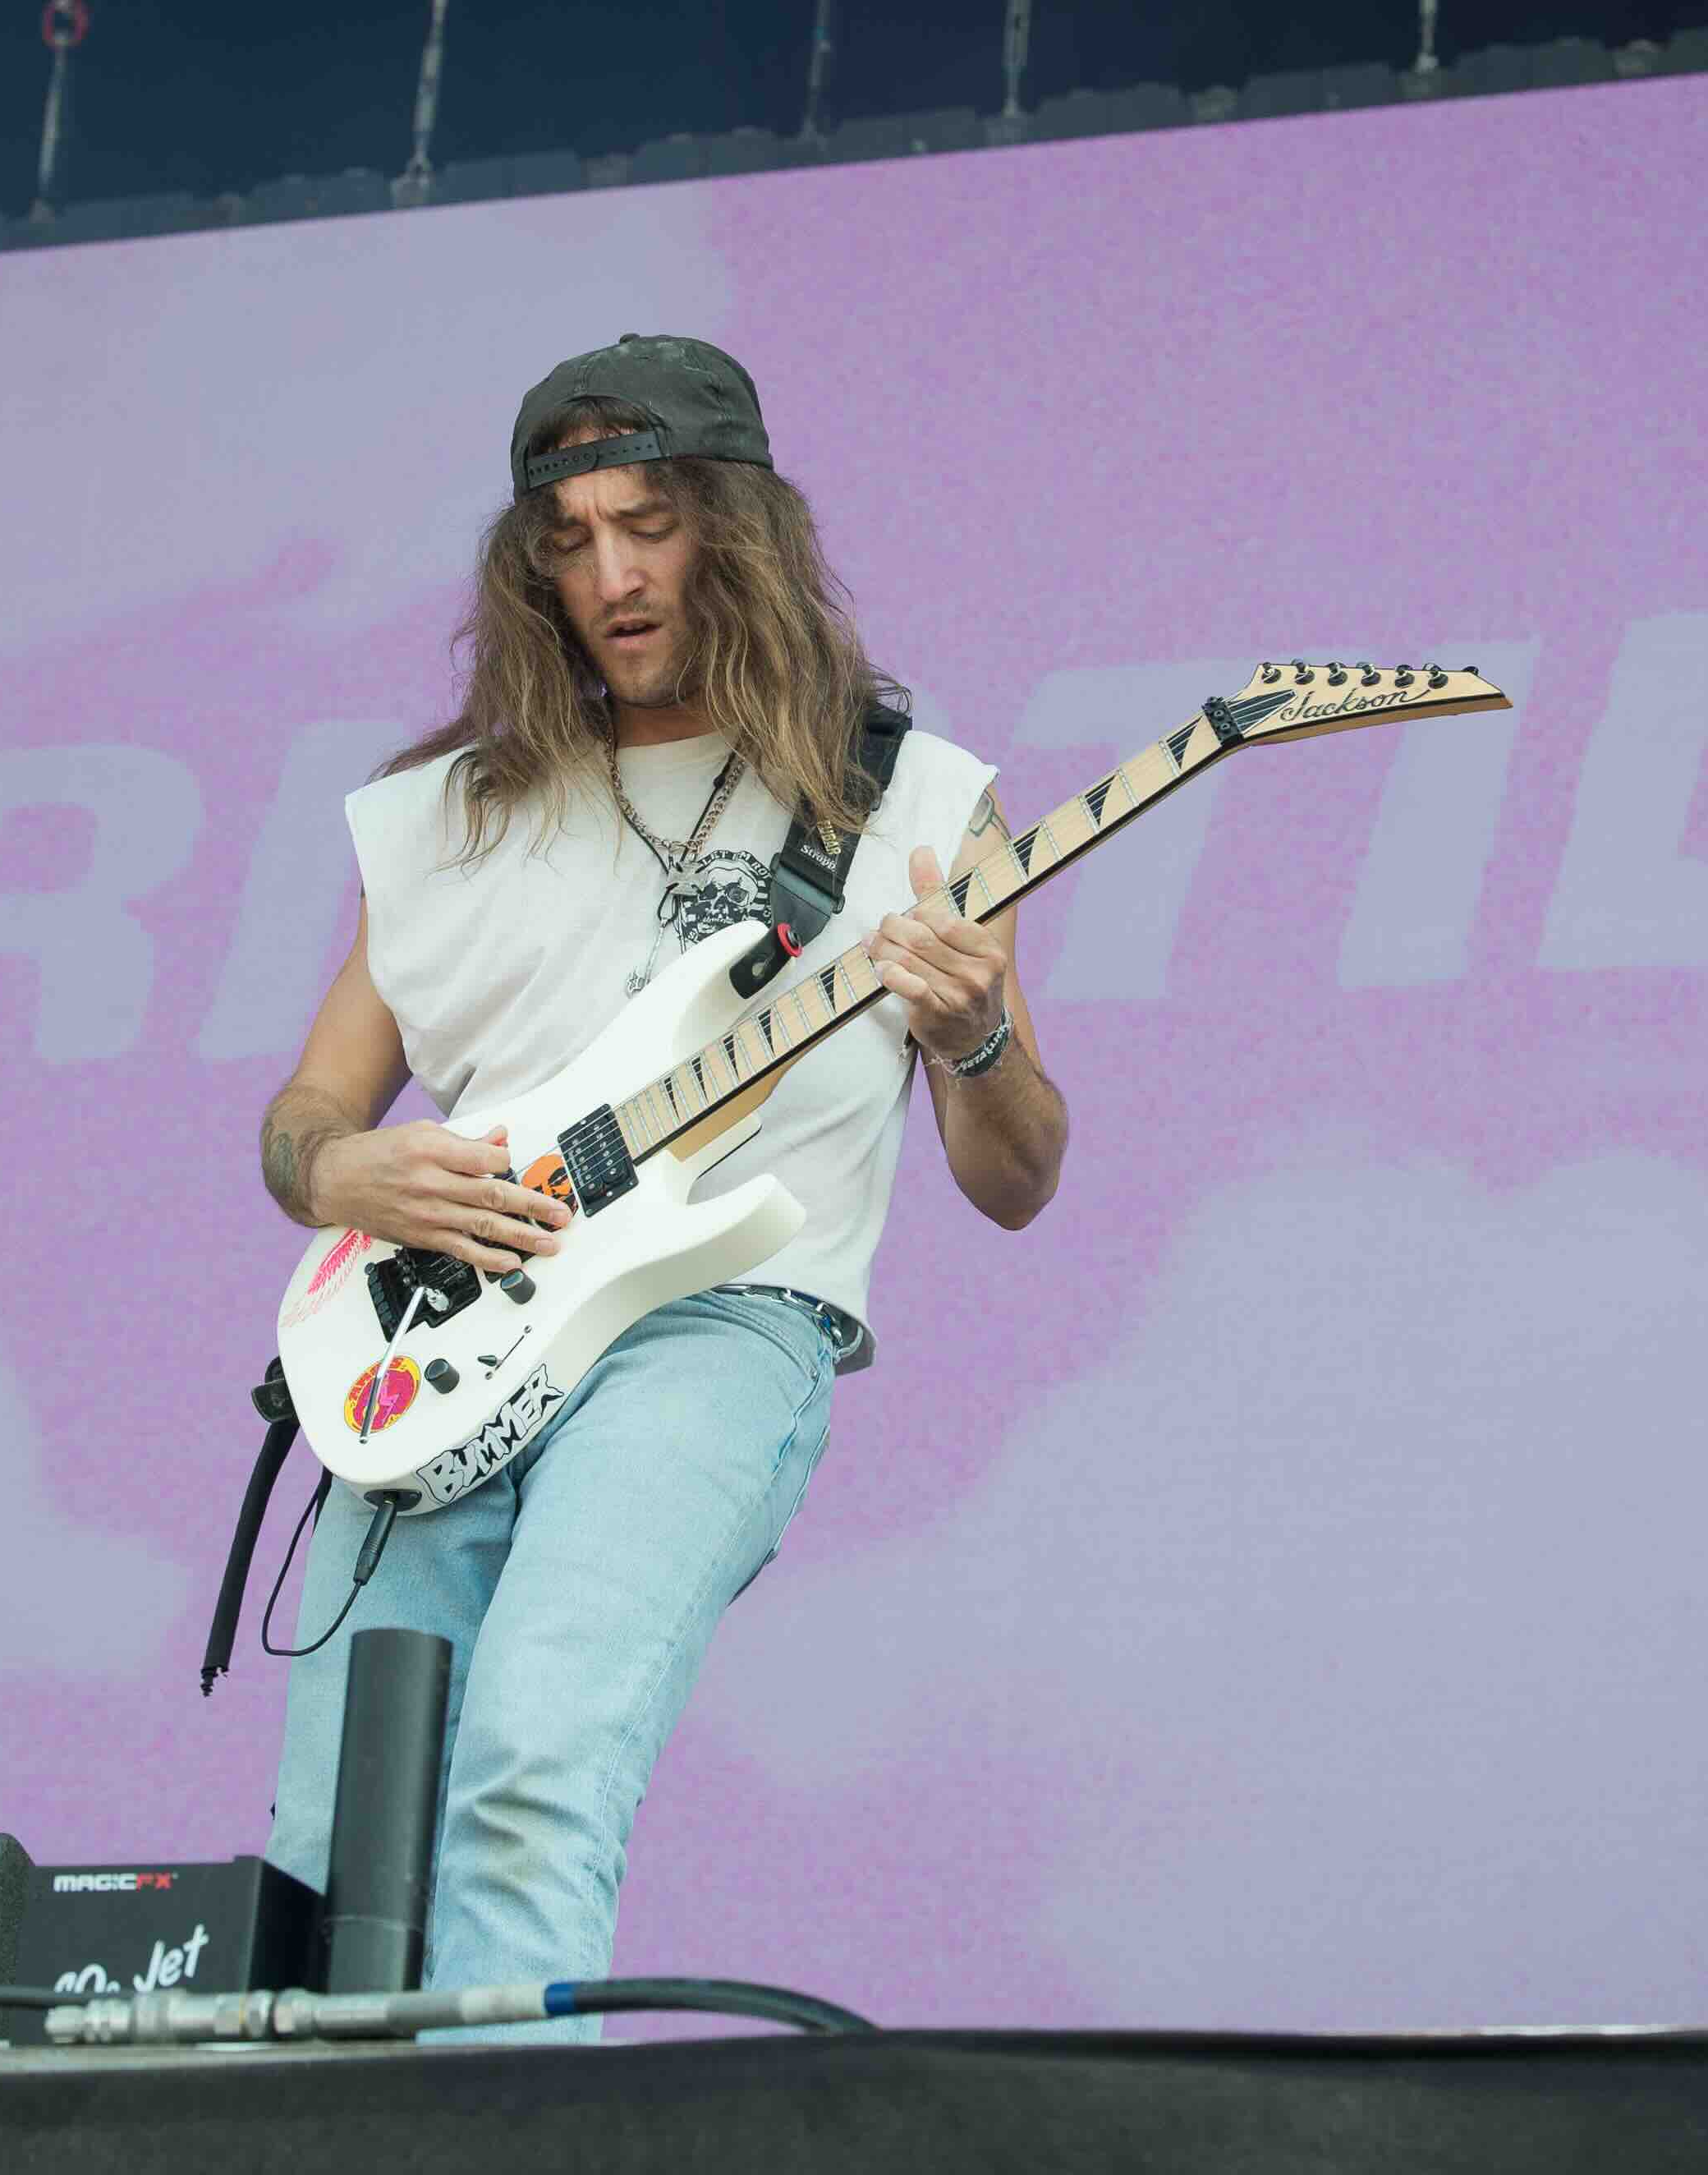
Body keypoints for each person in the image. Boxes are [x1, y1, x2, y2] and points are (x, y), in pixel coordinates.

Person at [254, 334, 1068, 2035]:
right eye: (569, 541)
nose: (612, 577)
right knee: (334, 1830)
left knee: (538, 1752)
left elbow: (1019, 1177)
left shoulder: (912, 799)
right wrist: (351, 1167)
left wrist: (977, 1036)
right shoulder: (441, 813)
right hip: (450, 1337)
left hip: (716, 1320)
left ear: (737, 531)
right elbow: (309, 1113)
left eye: (651, 526)